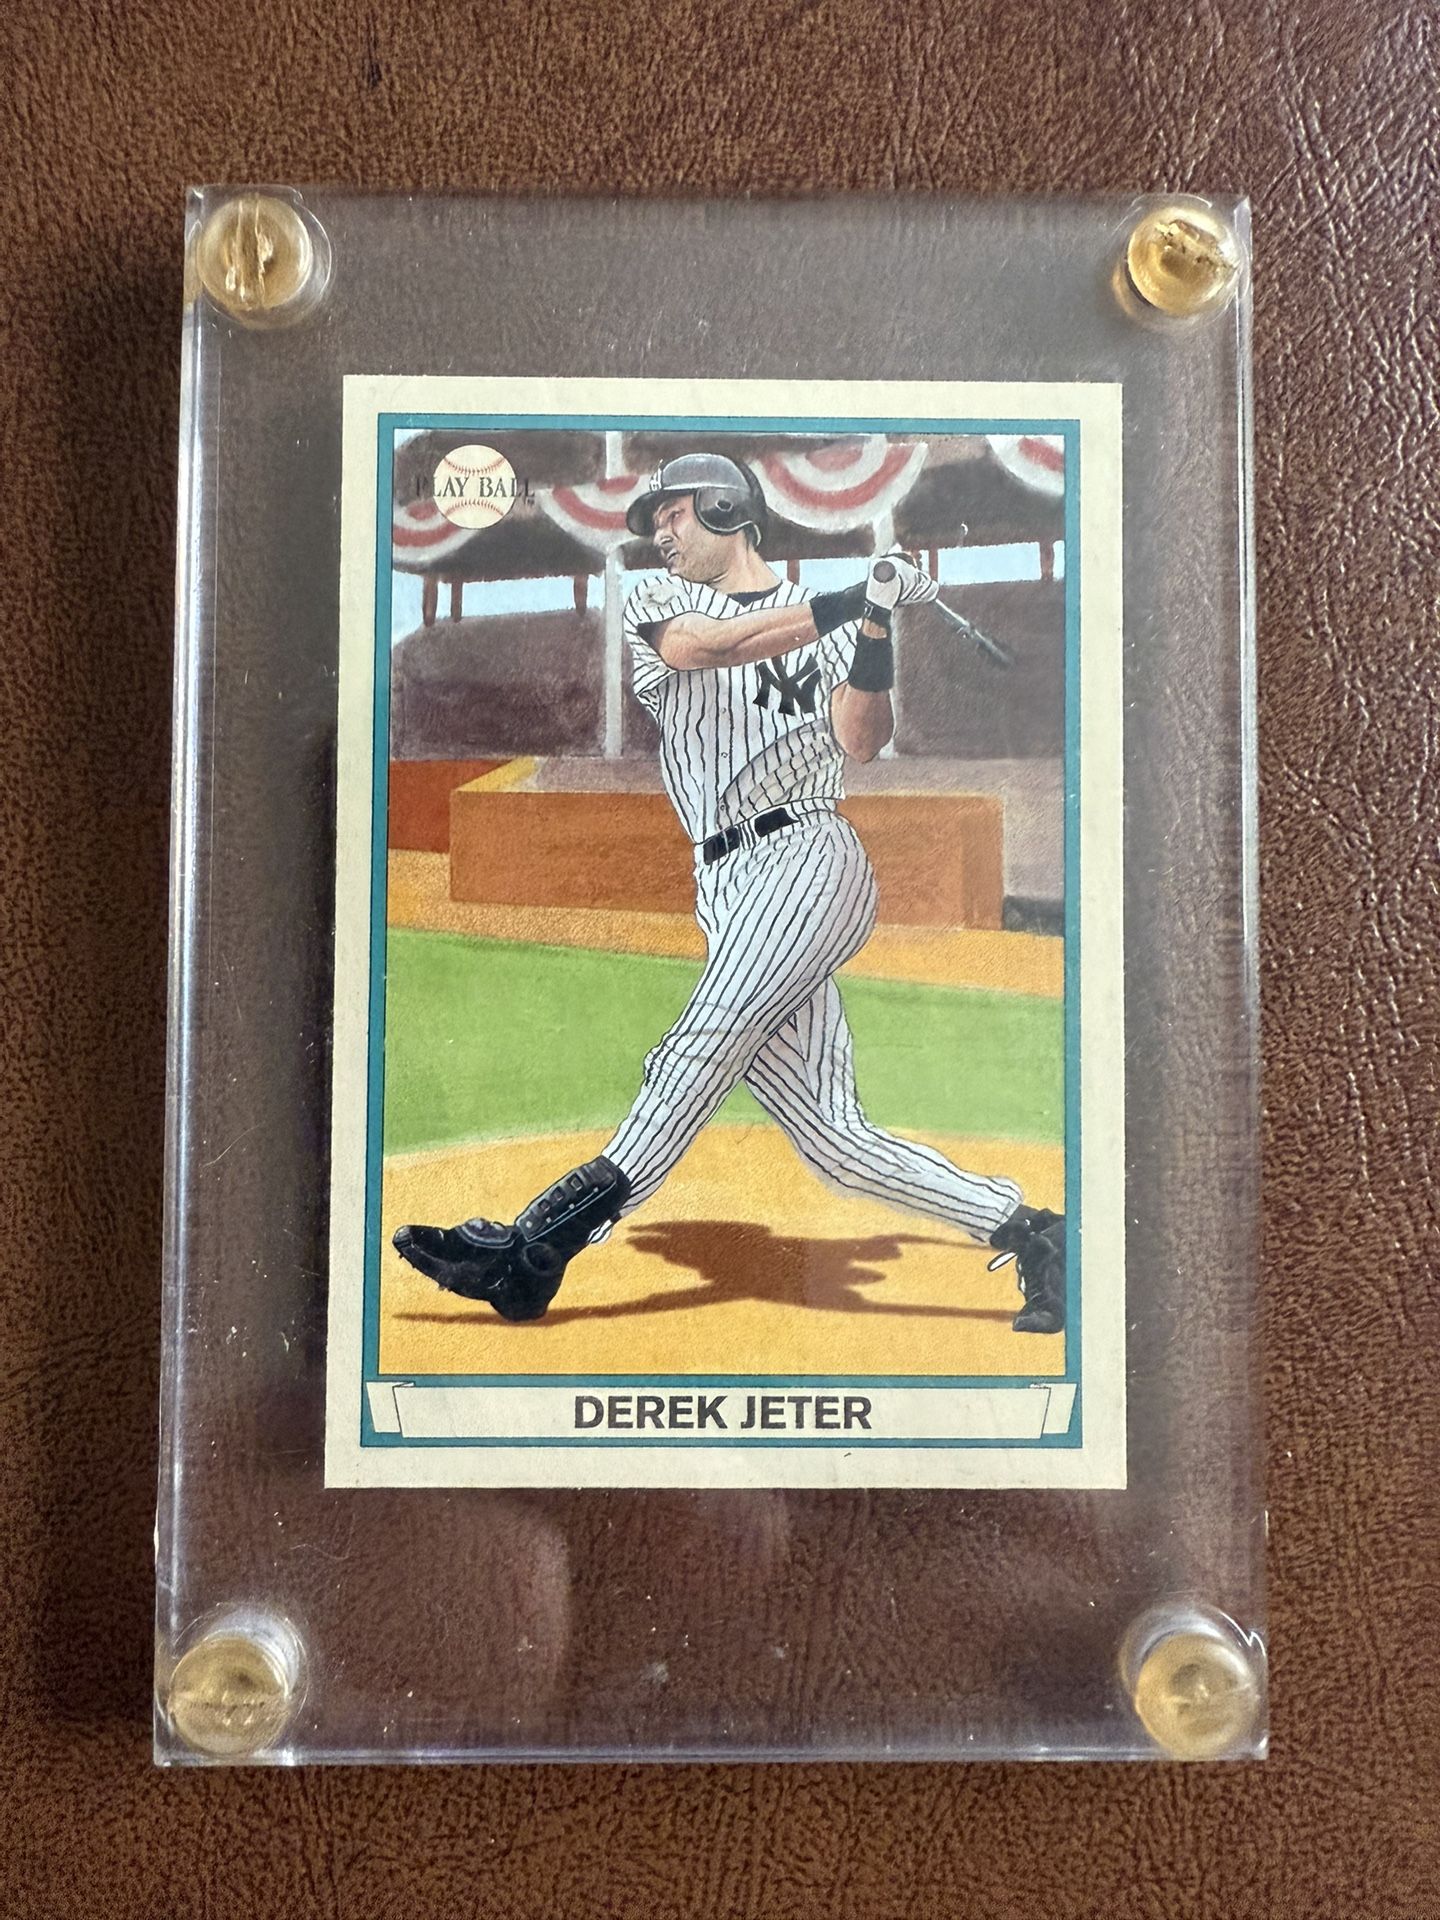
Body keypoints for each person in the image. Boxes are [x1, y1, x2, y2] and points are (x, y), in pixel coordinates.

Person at [393, 452, 1065, 1332]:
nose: (661, 533)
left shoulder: (827, 620)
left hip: (808, 858)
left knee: (694, 1050)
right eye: (656, 521)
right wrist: (853, 598)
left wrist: (874, 627)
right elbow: (710, 647)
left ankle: (534, 1251)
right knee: (835, 1143)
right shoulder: (661, 600)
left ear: (725, 508)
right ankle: (1038, 1234)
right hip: (727, 880)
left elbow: (861, 740)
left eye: (674, 514)